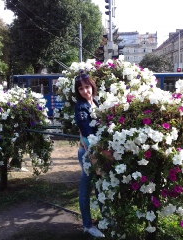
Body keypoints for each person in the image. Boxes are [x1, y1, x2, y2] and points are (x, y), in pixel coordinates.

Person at [74, 73, 105, 238]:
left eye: (87, 87)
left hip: (98, 151)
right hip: (88, 153)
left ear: (92, 86)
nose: (85, 91)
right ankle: (87, 225)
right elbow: (86, 132)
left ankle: (105, 219)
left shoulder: (95, 102)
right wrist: (97, 152)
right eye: (81, 88)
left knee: (100, 187)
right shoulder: (80, 107)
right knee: (86, 188)